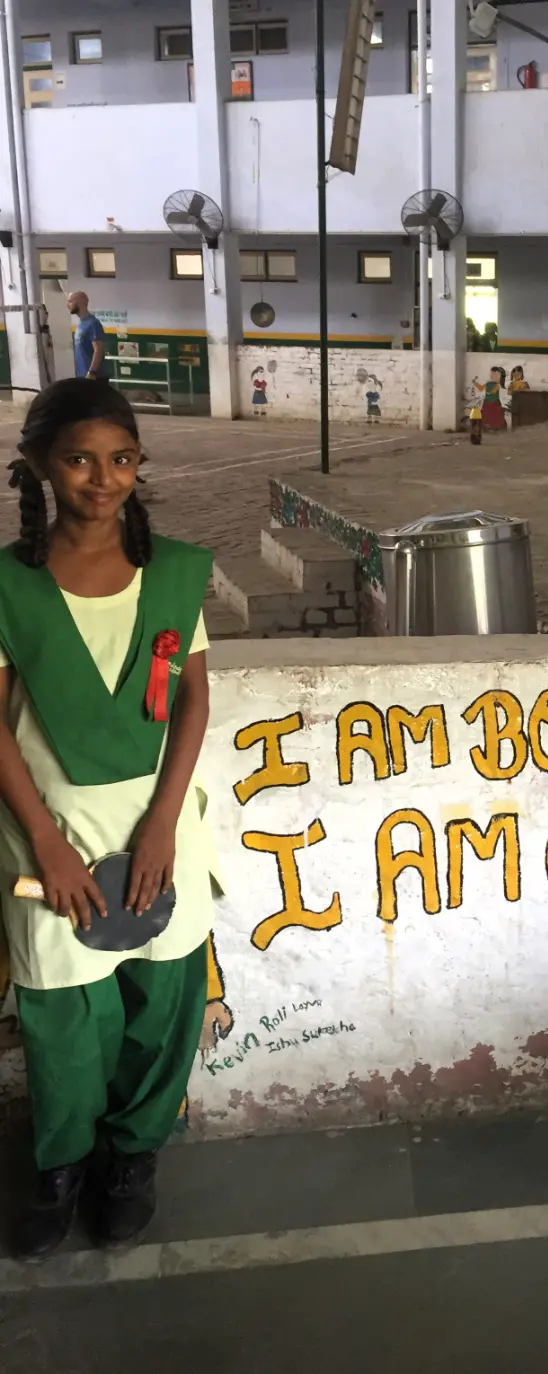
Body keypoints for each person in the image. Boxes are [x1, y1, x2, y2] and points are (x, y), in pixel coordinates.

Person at [0, 378, 218, 1261]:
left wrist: (165, 823)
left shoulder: (170, 574)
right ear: (41, 468)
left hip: (156, 831)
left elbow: (194, 702)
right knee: (62, 1016)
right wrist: (47, 843)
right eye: (80, 459)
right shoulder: (10, 586)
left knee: (164, 1005)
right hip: (46, 837)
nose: (103, 479)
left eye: (121, 459)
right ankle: (62, 1164)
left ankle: (133, 1156)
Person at [67, 292, 106, 381]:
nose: (67, 305)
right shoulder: (81, 323)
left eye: (70, 301)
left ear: (79, 302)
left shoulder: (93, 323)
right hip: (82, 375)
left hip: (94, 377)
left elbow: (98, 350)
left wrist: (91, 373)